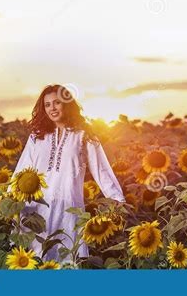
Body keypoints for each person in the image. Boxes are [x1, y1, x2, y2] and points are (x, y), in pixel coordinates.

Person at [10, 84, 126, 263]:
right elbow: (22, 170)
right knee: (34, 260)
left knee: (68, 258)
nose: (52, 108)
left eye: (56, 103)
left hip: (68, 208)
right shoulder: (37, 136)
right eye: (47, 105)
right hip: (36, 208)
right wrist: (10, 200)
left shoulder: (83, 135)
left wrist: (116, 198)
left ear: (67, 104)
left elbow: (100, 168)